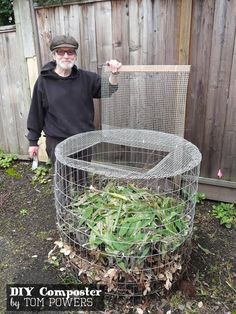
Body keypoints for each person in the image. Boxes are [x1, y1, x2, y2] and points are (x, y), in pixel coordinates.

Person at [27, 35, 121, 164]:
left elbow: (108, 89)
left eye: (70, 52)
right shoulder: (44, 81)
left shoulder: (86, 78)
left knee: (81, 181)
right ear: (54, 55)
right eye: (61, 52)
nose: (66, 56)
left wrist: (114, 73)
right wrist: (33, 142)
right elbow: (36, 112)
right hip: (57, 142)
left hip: (83, 141)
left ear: (75, 56)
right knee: (61, 181)